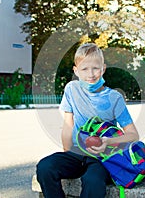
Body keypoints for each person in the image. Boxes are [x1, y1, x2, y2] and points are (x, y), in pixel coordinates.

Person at [36, 43, 139, 198]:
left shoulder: (114, 98)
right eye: (84, 69)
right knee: (45, 167)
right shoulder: (71, 89)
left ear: (103, 69)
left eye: (95, 68)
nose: (90, 74)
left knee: (92, 180)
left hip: (102, 157)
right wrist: (67, 155)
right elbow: (68, 125)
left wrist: (107, 141)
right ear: (76, 71)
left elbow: (133, 135)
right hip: (76, 153)